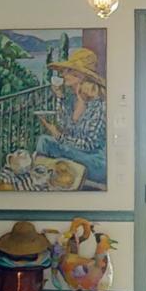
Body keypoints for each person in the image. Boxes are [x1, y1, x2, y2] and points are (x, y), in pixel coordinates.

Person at [35, 47, 107, 190]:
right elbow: (66, 126)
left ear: (80, 76)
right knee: (44, 140)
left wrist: (59, 137)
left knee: (48, 143)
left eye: (68, 71)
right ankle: (41, 179)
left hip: (94, 161)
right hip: (77, 153)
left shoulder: (99, 105)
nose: (63, 75)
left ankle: (43, 180)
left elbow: (89, 144)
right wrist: (60, 98)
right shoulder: (75, 100)